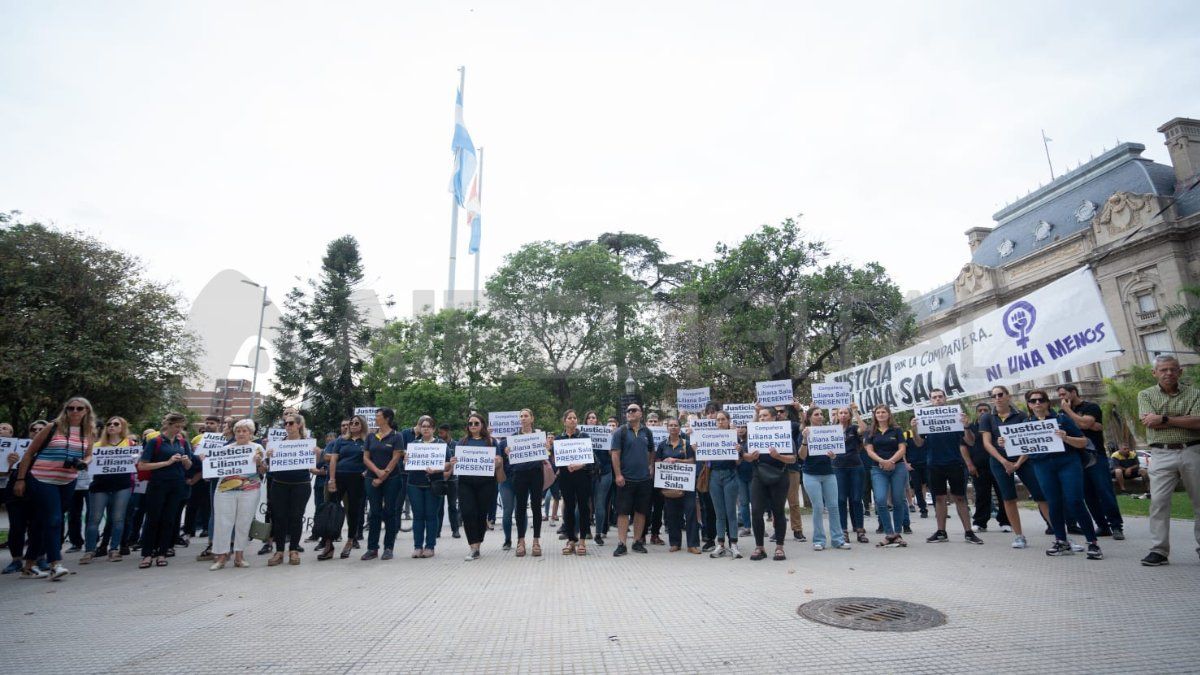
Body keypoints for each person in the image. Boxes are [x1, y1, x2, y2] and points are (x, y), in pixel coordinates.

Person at [1013, 390, 1102, 560]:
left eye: (1041, 400)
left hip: (1067, 462)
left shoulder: (1061, 420)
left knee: (1075, 500)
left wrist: (1066, 438)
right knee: (1053, 503)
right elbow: (1023, 447)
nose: (1037, 403)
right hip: (1042, 465)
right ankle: (1061, 541)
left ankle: (1092, 543)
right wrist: (1006, 443)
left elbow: (1083, 441)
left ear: (1047, 403)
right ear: (1029, 405)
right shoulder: (1026, 424)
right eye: (1033, 401)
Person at [12, 399, 96, 580]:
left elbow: (89, 454)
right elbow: (29, 454)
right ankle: (55, 564)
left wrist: (84, 463)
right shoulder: (52, 427)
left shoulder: (88, 432)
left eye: (79, 408)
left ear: (86, 411)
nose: (74, 411)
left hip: (67, 481)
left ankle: (28, 566)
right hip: (42, 478)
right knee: (54, 519)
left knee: (42, 523)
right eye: (70, 408)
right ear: (65, 410)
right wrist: (20, 479)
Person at [1135, 355, 1200, 567]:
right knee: (1158, 503)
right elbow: (1149, 422)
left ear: (1180, 372)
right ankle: (1159, 551)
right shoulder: (1145, 395)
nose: (1168, 373)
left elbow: (1198, 422)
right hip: (1161, 454)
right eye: (1163, 370)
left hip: (1192, 451)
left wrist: (1164, 418)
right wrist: (1184, 420)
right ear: (1155, 373)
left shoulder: (1195, 393)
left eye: (1173, 369)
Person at [910, 389, 984, 545]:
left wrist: (966, 427)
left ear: (945, 398)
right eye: (934, 397)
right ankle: (941, 532)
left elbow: (970, 442)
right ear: (930, 401)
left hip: (955, 463)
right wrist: (915, 430)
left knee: (960, 497)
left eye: (940, 396)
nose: (937, 399)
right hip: (934, 464)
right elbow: (919, 443)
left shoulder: (956, 416)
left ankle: (969, 532)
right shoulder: (924, 418)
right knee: (939, 498)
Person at [980, 385, 1050, 549]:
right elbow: (987, 443)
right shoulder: (987, 418)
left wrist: (1018, 463)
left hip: (1023, 460)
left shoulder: (1021, 415)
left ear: (1008, 396)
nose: (997, 398)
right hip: (999, 461)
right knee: (1008, 497)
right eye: (994, 395)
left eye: (1000, 394)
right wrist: (1004, 462)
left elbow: (1029, 441)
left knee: (1040, 495)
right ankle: (1019, 535)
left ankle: (1060, 533)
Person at [1058, 384, 1124, 540]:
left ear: (1073, 392)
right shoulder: (1060, 413)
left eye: (1063, 394)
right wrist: (1087, 424)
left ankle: (1116, 526)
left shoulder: (1090, 406)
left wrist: (1071, 414)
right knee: (1088, 494)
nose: (1061, 398)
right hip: (1076, 457)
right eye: (1059, 395)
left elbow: (1086, 424)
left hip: (1095, 455)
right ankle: (1102, 526)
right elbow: (1085, 425)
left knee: (1104, 491)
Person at [134, 411, 193, 569]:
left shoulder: (181, 442)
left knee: (169, 519)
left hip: (177, 484)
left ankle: (162, 552)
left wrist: (186, 461)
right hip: (158, 483)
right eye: (176, 426)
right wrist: (167, 462)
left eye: (181, 427)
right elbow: (142, 465)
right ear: (168, 425)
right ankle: (147, 553)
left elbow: (189, 466)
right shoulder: (156, 441)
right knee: (153, 518)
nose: (178, 430)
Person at [210, 419, 265, 570]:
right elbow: (214, 468)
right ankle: (221, 557)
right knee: (222, 522)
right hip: (225, 490)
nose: (241, 434)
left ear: (251, 433)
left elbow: (263, 471)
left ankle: (239, 556)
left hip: (250, 490)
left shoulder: (257, 447)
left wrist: (259, 462)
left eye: (244, 431)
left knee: (244, 522)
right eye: (238, 431)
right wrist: (206, 461)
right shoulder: (226, 448)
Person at [81, 416, 135, 564]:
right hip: (100, 486)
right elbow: (89, 460)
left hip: (122, 485)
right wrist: (85, 462)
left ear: (122, 427)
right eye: (109, 424)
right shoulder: (97, 445)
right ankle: (89, 550)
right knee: (94, 519)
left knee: (118, 518)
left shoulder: (130, 444)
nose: (111, 426)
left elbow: (137, 461)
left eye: (116, 424)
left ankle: (114, 549)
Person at [744, 407, 796, 560]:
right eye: (760, 416)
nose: (762, 418)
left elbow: (792, 459)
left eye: (765, 415)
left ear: (773, 418)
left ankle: (779, 547)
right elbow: (745, 456)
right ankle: (760, 547)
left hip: (779, 475)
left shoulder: (783, 433)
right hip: (758, 476)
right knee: (756, 511)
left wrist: (778, 456)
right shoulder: (754, 435)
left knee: (778, 511)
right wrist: (750, 457)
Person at [454, 412, 505, 560]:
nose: (473, 426)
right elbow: (456, 461)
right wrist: (454, 462)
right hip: (465, 483)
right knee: (468, 513)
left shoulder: (491, 442)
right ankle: (473, 547)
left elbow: (500, 461)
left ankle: (478, 543)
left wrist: (498, 462)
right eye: (470, 424)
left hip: (486, 483)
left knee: (481, 514)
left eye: (476, 423)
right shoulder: (462, 442)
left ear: (482, 425)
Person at [265, 412, 313, 566]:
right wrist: (269, 455)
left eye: (291, 423)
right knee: (279, 517)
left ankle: (293, 550)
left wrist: (317, 454)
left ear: (299, 425)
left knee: (296, 516)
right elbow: (267, 465)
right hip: (280, 483)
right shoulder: (277, 444)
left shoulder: (307, 443)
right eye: (285, 423)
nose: (287, 426)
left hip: (301, 484)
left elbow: (314, 465)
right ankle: (279, 551)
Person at [800, 407, 849, 551]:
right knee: (818, 507)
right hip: (811, 474)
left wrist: (834, 456)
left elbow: (836, 453)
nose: (820, 416)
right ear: (809, 417)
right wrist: (804, 439)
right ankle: (819, 540)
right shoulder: (805, 432)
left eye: (821, 414)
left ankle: (838, 539)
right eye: (816, 414)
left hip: (829, 473)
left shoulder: (830, 431)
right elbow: (802, 456)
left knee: (834, 506)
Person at [611, 403, 656, 557]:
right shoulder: (620, 432)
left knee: (641, 512)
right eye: (628, 410)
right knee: (623, 513)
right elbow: (615, 454)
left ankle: (637, 542)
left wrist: (650, 466)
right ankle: (621, 544)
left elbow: (651, 451)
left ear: (640, 414)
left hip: (644, 479)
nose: (630, 412)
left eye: (634, 410)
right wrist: (618, 475)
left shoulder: (647, 432)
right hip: (626, 479)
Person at [321, 415, 368, 560]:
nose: (352, 425)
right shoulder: (341, 440)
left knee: (353, 510)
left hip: (357, 479)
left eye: (356, 423)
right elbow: (333, 459)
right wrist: (332, 479)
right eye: (351, 423)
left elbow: (371, 458)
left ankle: (349, 541)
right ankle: (329, 544)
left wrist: (367, 471)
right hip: (339, 477)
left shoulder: (366, 441)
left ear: (362, 426)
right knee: (331, 510)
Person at [362, 408, 405, 561]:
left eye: (378, 416)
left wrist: (383, 475)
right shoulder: (371, 436)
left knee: (390, 512)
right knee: (374, 513)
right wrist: (376, 472)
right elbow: (366, 458)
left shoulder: (396, 436)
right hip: (371, 478)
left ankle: (388, 547)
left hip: (392, 479)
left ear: (387, 419)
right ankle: (372, 548)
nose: (375, 418)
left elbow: (396, 458)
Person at [864, 404, 909, 548]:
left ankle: (897, 533)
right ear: (875, 415)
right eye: (878, 412)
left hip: (898, 467)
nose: (881, 414)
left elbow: (902, 448)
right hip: (878, 468)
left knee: (898, 500)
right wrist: (882, 461)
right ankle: (889, 533)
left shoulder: (896, 430)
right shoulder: (870, 432)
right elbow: (869, 451)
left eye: (884, 412)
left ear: (889, 414)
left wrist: (892, 461)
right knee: (881, 499)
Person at [505, 409, 547, 557]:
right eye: (521, 416)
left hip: (536, 474)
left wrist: (546, 449)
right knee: (520, 508)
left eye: (526, 416)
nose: (523, 418)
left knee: (536, 507)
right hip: (519, 475)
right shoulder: (513, 437)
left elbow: (546, 455)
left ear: (532, 418)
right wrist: (508, 451)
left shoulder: (539, 436)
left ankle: (536, 541)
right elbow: (507, 457)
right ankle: (520, 541)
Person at [407, 415, 450, 558]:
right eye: (423, 426)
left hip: (433, 484)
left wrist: (437, 469)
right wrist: (406, 459)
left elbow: (448, 463)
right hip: (415, 484)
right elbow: (407, 465)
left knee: (431, 516)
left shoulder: (441, 444)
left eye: (428, 426)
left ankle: (430, 546)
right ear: (419, 428)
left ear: (433, 429)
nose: (425, 429)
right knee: (418, 516)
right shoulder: (413, 444)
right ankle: (417, 546)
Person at [550, 410, 591, 555]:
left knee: (583, 508)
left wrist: (580, 465)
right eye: (569, 418)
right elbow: (555, 460)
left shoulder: (584, 436)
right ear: (564, 421)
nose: (572, 420)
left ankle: (582, 541)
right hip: (566, 477)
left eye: (574, 418)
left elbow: (590, 459)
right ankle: (571, 540)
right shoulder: (559, 439)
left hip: (582, 477)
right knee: (568, 508)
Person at [657, 417, 700, 553]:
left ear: (679, 428)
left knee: (691, 512)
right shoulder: (662, 445)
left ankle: (692, 544)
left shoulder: (686, 444)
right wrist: (664, 461)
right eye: (671, 425)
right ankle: (675, 543)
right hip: (670, 484)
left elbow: (693, 461)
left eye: (676, 425)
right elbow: (658, 461)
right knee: (672, 514)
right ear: (667, 428)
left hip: (687, 485)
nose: (673, 428)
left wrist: (676, 460)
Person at [967, 403, 1011, 533]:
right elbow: (964, 446)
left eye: (985, 410)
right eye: (980, 410)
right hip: (979, 467)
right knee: (981, 495)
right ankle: (980, 522)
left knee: (1003, 494)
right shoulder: (971, 427)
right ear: (976, 412)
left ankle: (1005, 521)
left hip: (999, 464)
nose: (982, 412)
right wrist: (970, 464)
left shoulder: (997, 425)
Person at [707, 410, 742, 559]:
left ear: (728, 421)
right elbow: (706, 461)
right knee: (719, 513)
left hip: (730, 475)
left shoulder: (735, 437)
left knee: (731, 512)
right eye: (718, 420)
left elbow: (738, 462)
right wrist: (699, 450)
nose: (720, 422)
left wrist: (738, 452)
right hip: (714, 475)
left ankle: (733, 543)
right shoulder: (710, 437)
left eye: (723, 419)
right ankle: (720, 544)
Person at [832, 406, 869, 544]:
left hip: (855, 466)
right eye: (840, 413)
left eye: (845, 413)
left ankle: (860, 530)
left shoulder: (853, 429)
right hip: (838, 467)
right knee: (841, 500)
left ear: (849, 415)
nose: (842, 415)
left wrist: (855, 412)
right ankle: (843, 531)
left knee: (856, 499)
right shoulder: (831, 430)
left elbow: (864, 429)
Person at [777, 402, 807, 543]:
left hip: (791, 468)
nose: (779, 414)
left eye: (782, 411)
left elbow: (804, 427)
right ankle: (778, 530)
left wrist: (800, 409)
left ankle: (797, 529)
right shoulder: (764, 426)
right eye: (776, 411)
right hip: (774, 469)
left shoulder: (793, 425)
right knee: (776, 503)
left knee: (793, 501)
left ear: (786, 413)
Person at [592, 412, 615, 546]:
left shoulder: (605, 434)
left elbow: (612, 454)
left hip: (604, 472)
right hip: (586, 473)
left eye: (594, 417)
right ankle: (578, 533)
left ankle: (598, 533)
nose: (591, 419)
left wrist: (610, 440)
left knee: (600, 503)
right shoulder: (580, 434)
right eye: (589, 417)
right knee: (582, 504)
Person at [436, 423, 461, 538]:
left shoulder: (456, 444)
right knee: (439, 507)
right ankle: (437, 531)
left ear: (447, 432)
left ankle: (455, 530)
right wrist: (442, 474)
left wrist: (448, 473)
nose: (440, 435)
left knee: (452, 506)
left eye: (442, 433)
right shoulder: (437, 444)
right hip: (439, 479)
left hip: (452, 480)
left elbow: (456, 461)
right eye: (438, 433)